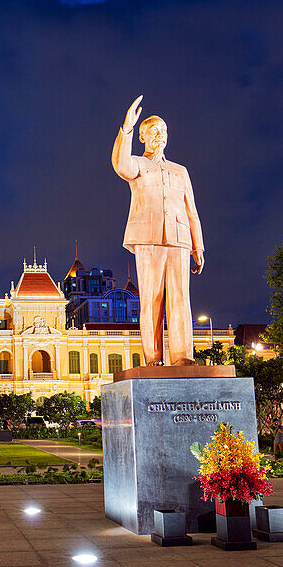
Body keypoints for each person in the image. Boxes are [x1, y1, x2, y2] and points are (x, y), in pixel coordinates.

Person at [112, 95, 204, 365]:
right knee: (152, 298)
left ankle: (183, 357)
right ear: (142, 137)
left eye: (163, 131)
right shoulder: (138, 165)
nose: (159, 135)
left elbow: (192, 212)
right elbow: (121, 164)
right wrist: (127, 127)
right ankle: (153, 358)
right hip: (148, 238)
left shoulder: (180, 171)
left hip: (179, 239)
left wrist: (198, 247)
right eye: (153, 131)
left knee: (180, 299)